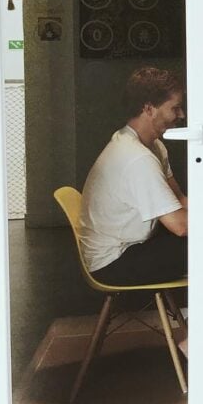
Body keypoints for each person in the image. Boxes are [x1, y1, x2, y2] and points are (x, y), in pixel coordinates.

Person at [80, 67, 189, 354]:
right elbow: (181, 225)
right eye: (175, 108)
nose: (181, 115)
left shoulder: (151, 146)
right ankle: (195, 340)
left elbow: (180, 200)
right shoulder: (136, 158)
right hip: (114, 263)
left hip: (130, 247)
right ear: (149, 108)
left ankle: (198, 332)